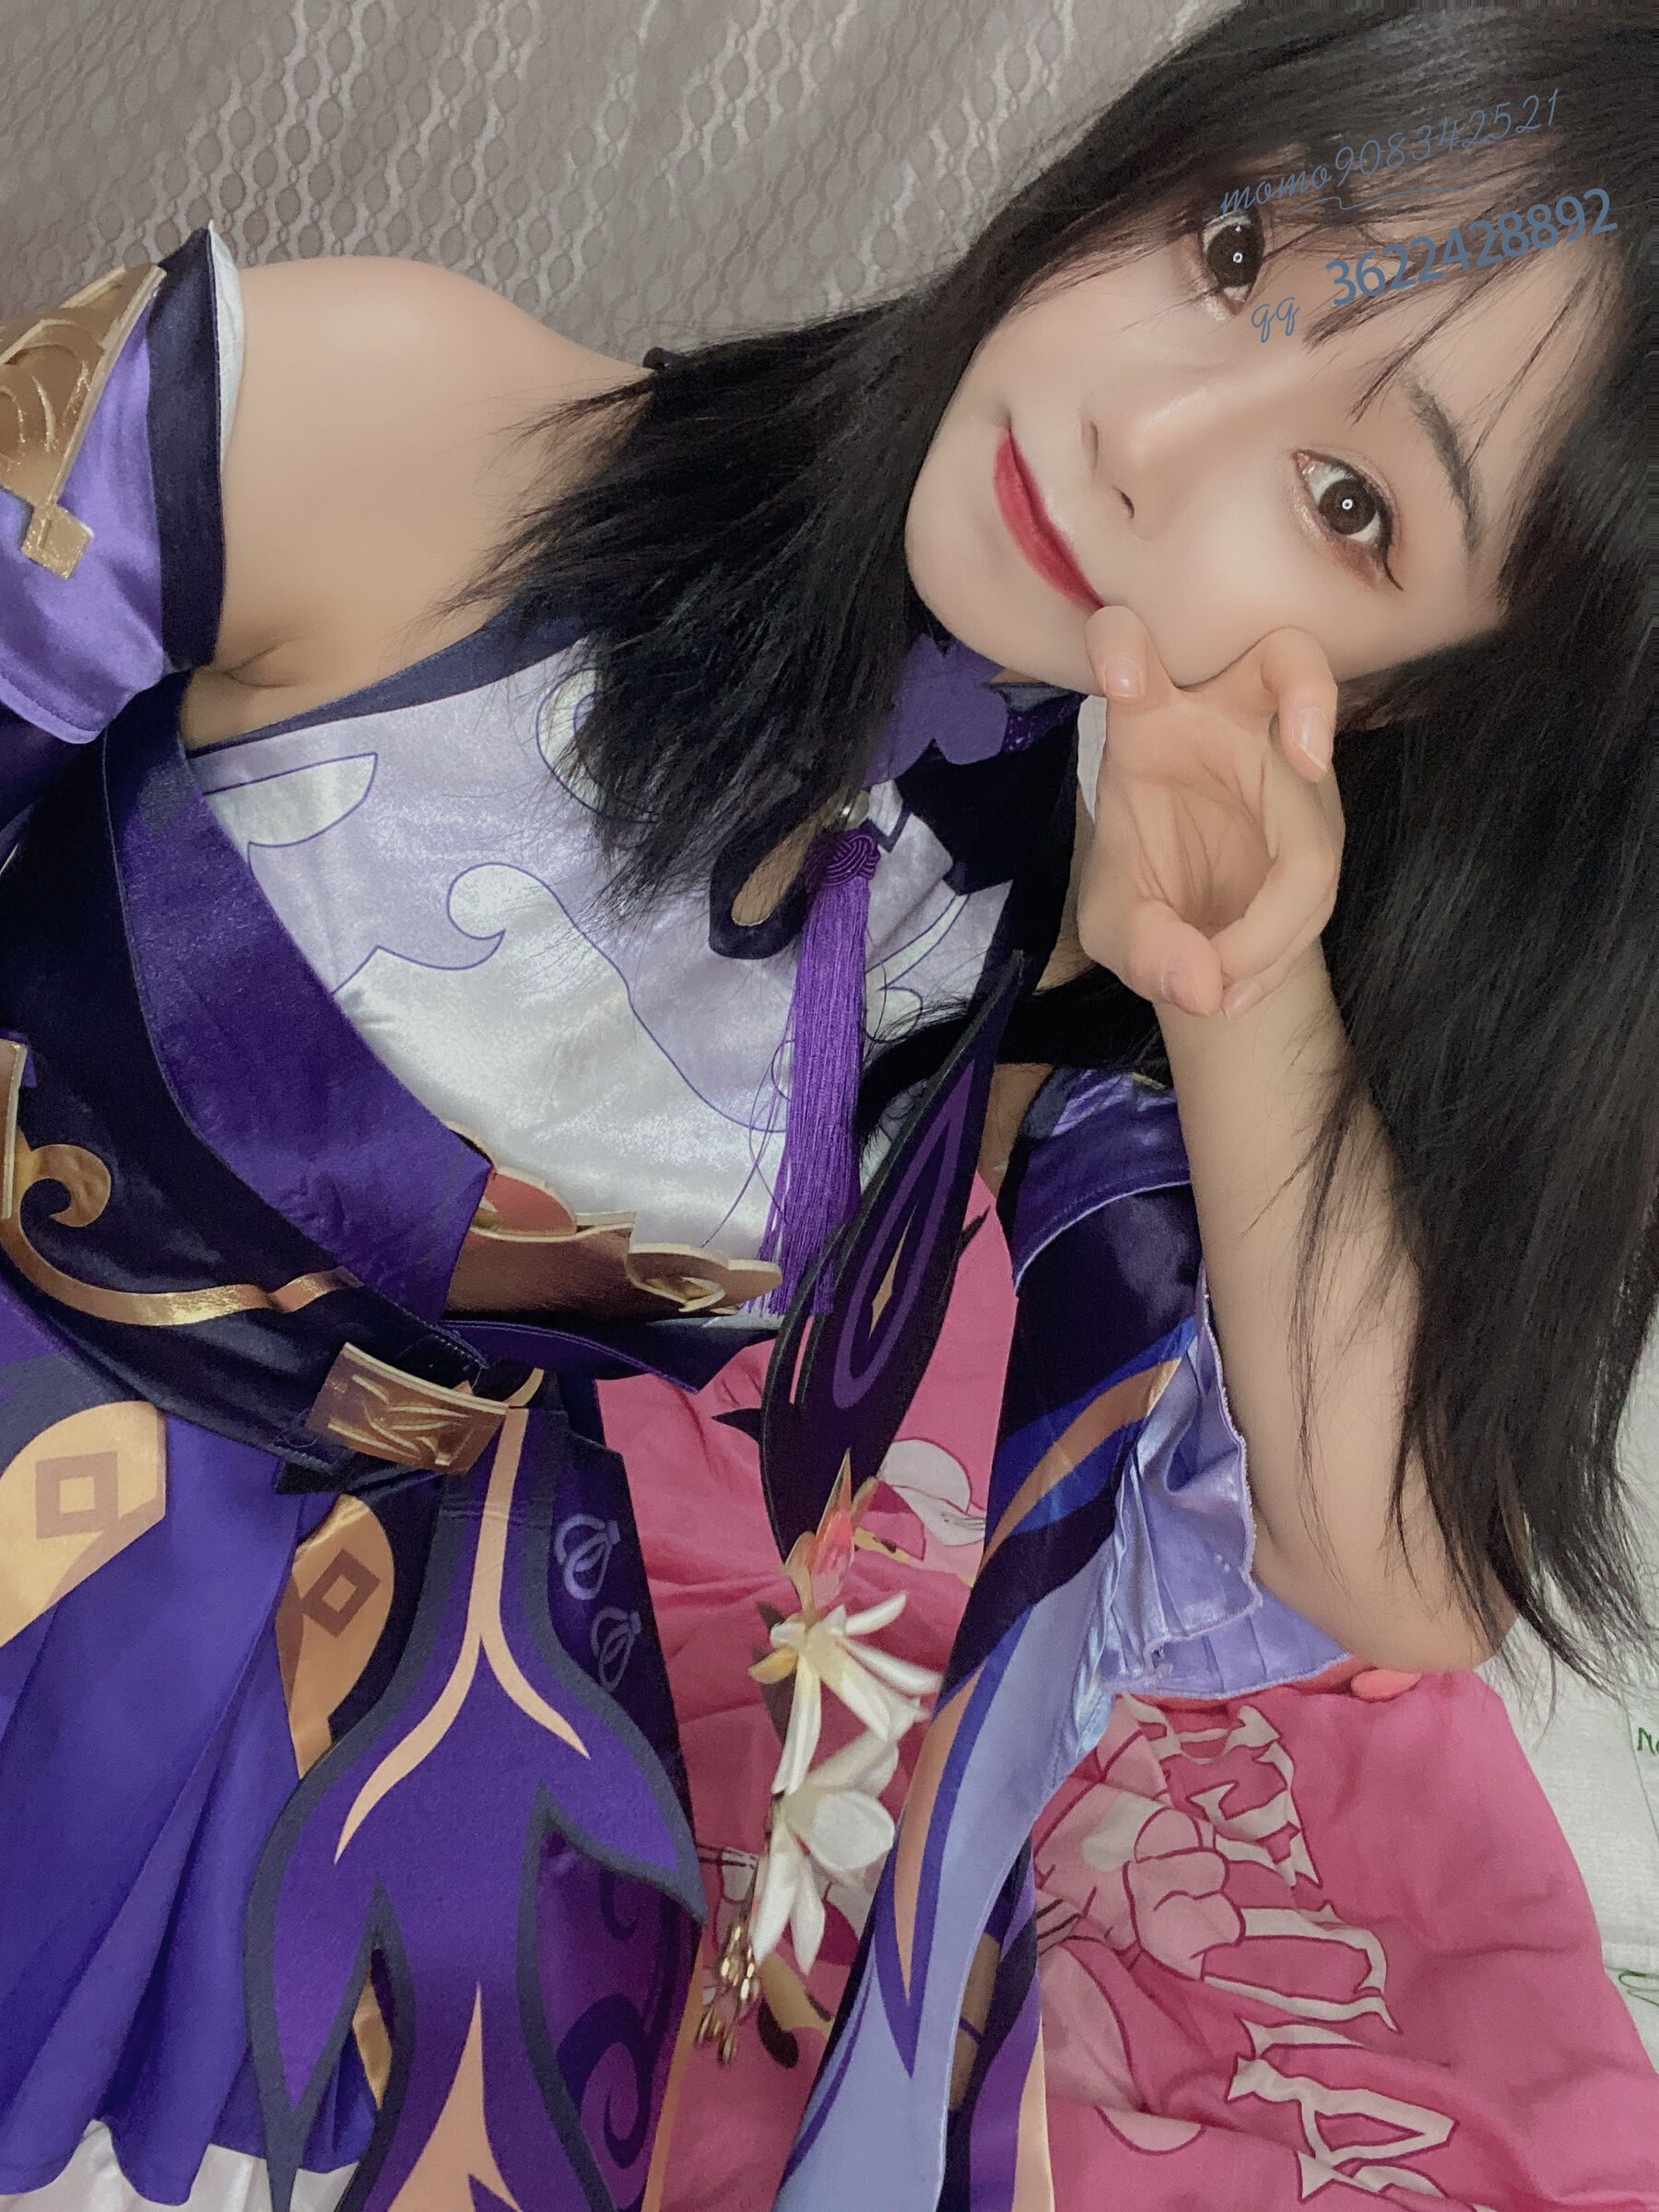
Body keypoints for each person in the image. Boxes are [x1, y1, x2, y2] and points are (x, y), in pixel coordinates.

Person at [0, 0, 1653, 2206]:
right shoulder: (392, 416)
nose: (1152, 429)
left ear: (1429, 700)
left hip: (376, 1697)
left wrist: (1247, 994)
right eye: (1238, 247)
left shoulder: (1054, 917)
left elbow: (1400, 1561)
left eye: (1349, 504)